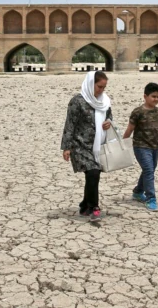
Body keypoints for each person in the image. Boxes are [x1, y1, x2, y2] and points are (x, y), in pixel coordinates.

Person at [61, 71, 112, 221]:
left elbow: (109, 115)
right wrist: (67, 147)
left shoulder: (104, 101)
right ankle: (94, 207)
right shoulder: (77, 101)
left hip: (97, 144)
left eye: (104, 87)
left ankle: (85, 205)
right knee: (93, 173)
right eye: (99, 87)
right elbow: (70, 124)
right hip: (80, 145)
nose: (101, 90)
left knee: (92, 174)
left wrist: (108, 121)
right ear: (91, 84)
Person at [122, 82, 158, 211]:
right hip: (140, 146)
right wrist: (123, 143)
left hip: (154, 147)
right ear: (145, 96)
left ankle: (138, 191)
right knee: (149, 170)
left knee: (149, 170)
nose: (156, 99)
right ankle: (151, 198)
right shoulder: (138, 112)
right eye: (153, 96)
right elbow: (130, 129)